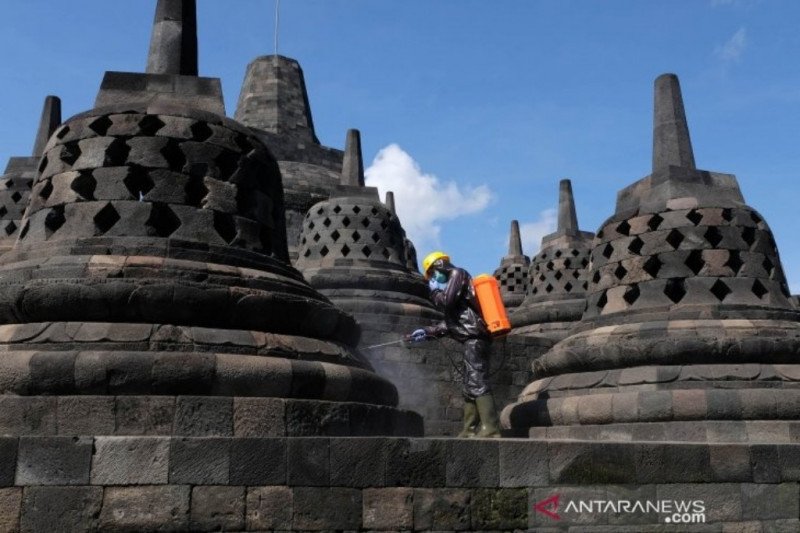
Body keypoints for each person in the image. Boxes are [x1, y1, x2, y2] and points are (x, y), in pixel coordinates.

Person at [408, 251, 500, 438]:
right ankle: (469, 429)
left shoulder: (459, 274)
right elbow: (452, 323)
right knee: (469, 384)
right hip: (469, 338)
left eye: (433, 273)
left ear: (440, 264)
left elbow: (447, 303)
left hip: (476, 338)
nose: (433, 278)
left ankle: (490, 428)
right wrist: (427, 332)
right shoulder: (455, 288)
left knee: (477, 381)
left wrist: (434, 291)